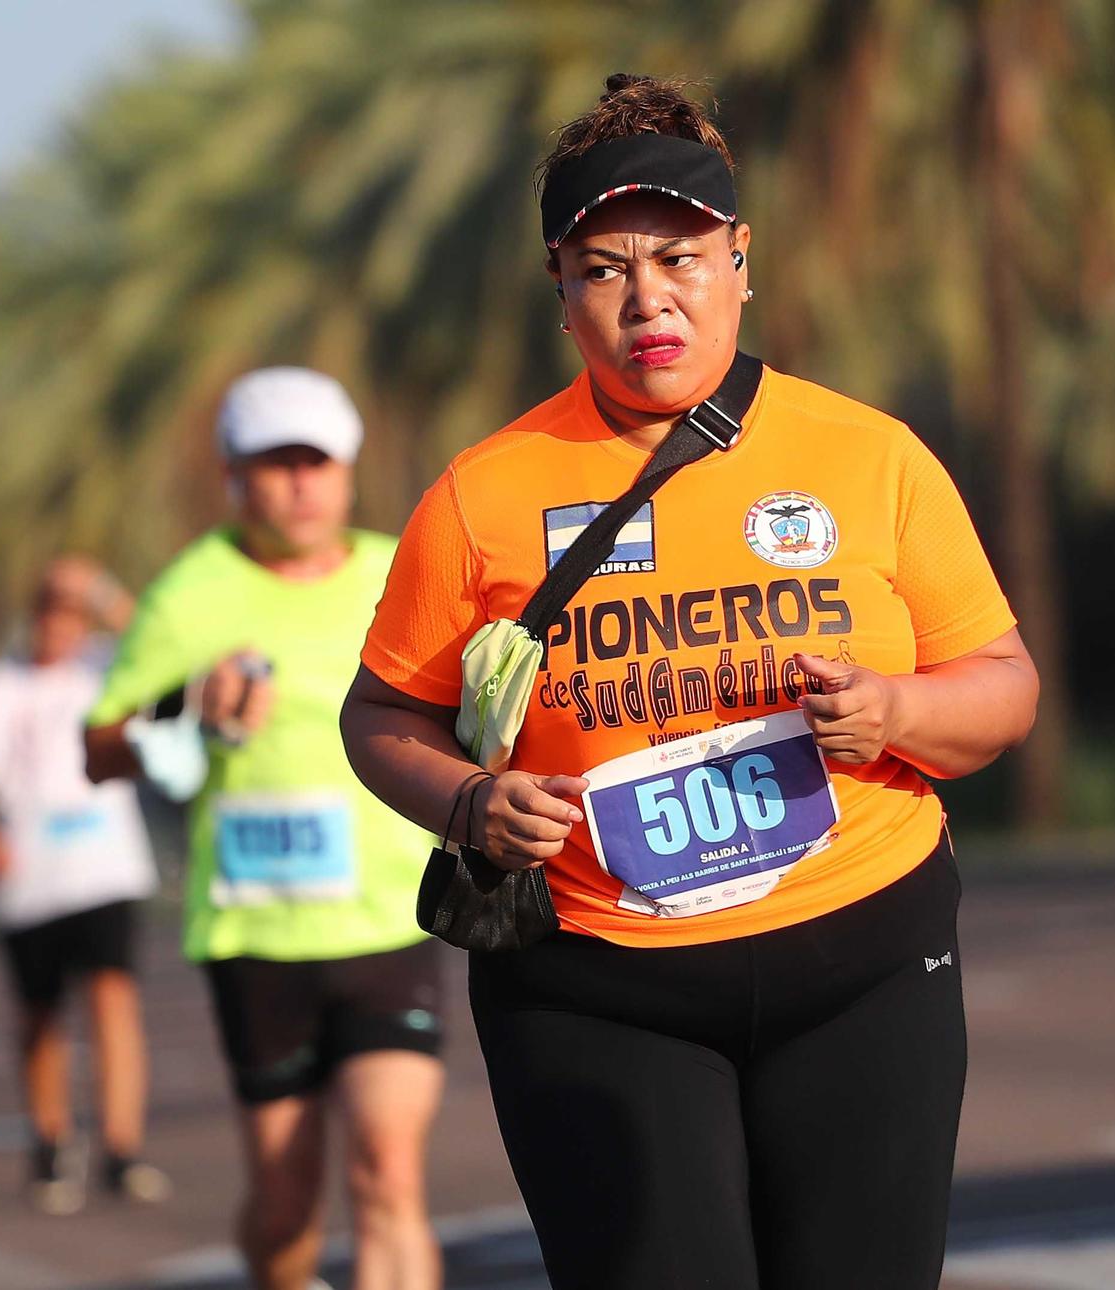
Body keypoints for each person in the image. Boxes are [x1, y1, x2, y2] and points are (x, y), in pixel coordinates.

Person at [341, 75, 1040, 1290]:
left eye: (679, 257)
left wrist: (894, 710)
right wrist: (467, 803)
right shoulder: (483, 495)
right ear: (559, 291)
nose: (645, 298)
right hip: (596, 994)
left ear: (738, 258)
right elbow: (380, 713)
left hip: (861, 966)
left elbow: (1000, 684)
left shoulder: (866, 456)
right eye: (602, 268)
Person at [83, 367, 444, 1290]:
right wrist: (184, 704)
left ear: (349, 472)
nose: (297, 485)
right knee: (287, 1201)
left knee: (389, 1171)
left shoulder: (400, 573)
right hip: (258, 936)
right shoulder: (189, 593)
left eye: (314, 463)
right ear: (232, 477)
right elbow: (98, 748)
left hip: (387, 921)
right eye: (272, 465)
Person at [0, 558, 170, 1214]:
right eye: (51, 613)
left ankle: (121, 1147)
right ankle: (50, 1144)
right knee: (41, 1018)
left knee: (113, 1001)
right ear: (34, 617)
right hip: (33, 884)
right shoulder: (0, 687)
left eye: (71, 615)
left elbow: (162, 639)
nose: (60, 628)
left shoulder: (105, 666)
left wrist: (101, 588)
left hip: (106, 870)